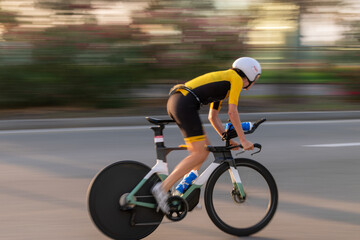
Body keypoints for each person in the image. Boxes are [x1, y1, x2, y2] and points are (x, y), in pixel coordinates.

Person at [152, 57, 261, 214]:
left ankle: (184, 191)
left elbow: (213, 117)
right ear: (250, 75)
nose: (254, 83)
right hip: (184, 103)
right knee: (200, 153)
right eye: (255, 80)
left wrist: (230, 139)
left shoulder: (226, 83)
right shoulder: (236, 79)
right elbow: (232, 112)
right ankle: (162, 188)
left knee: (203, 149)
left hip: (180, 101)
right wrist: (243, 140)